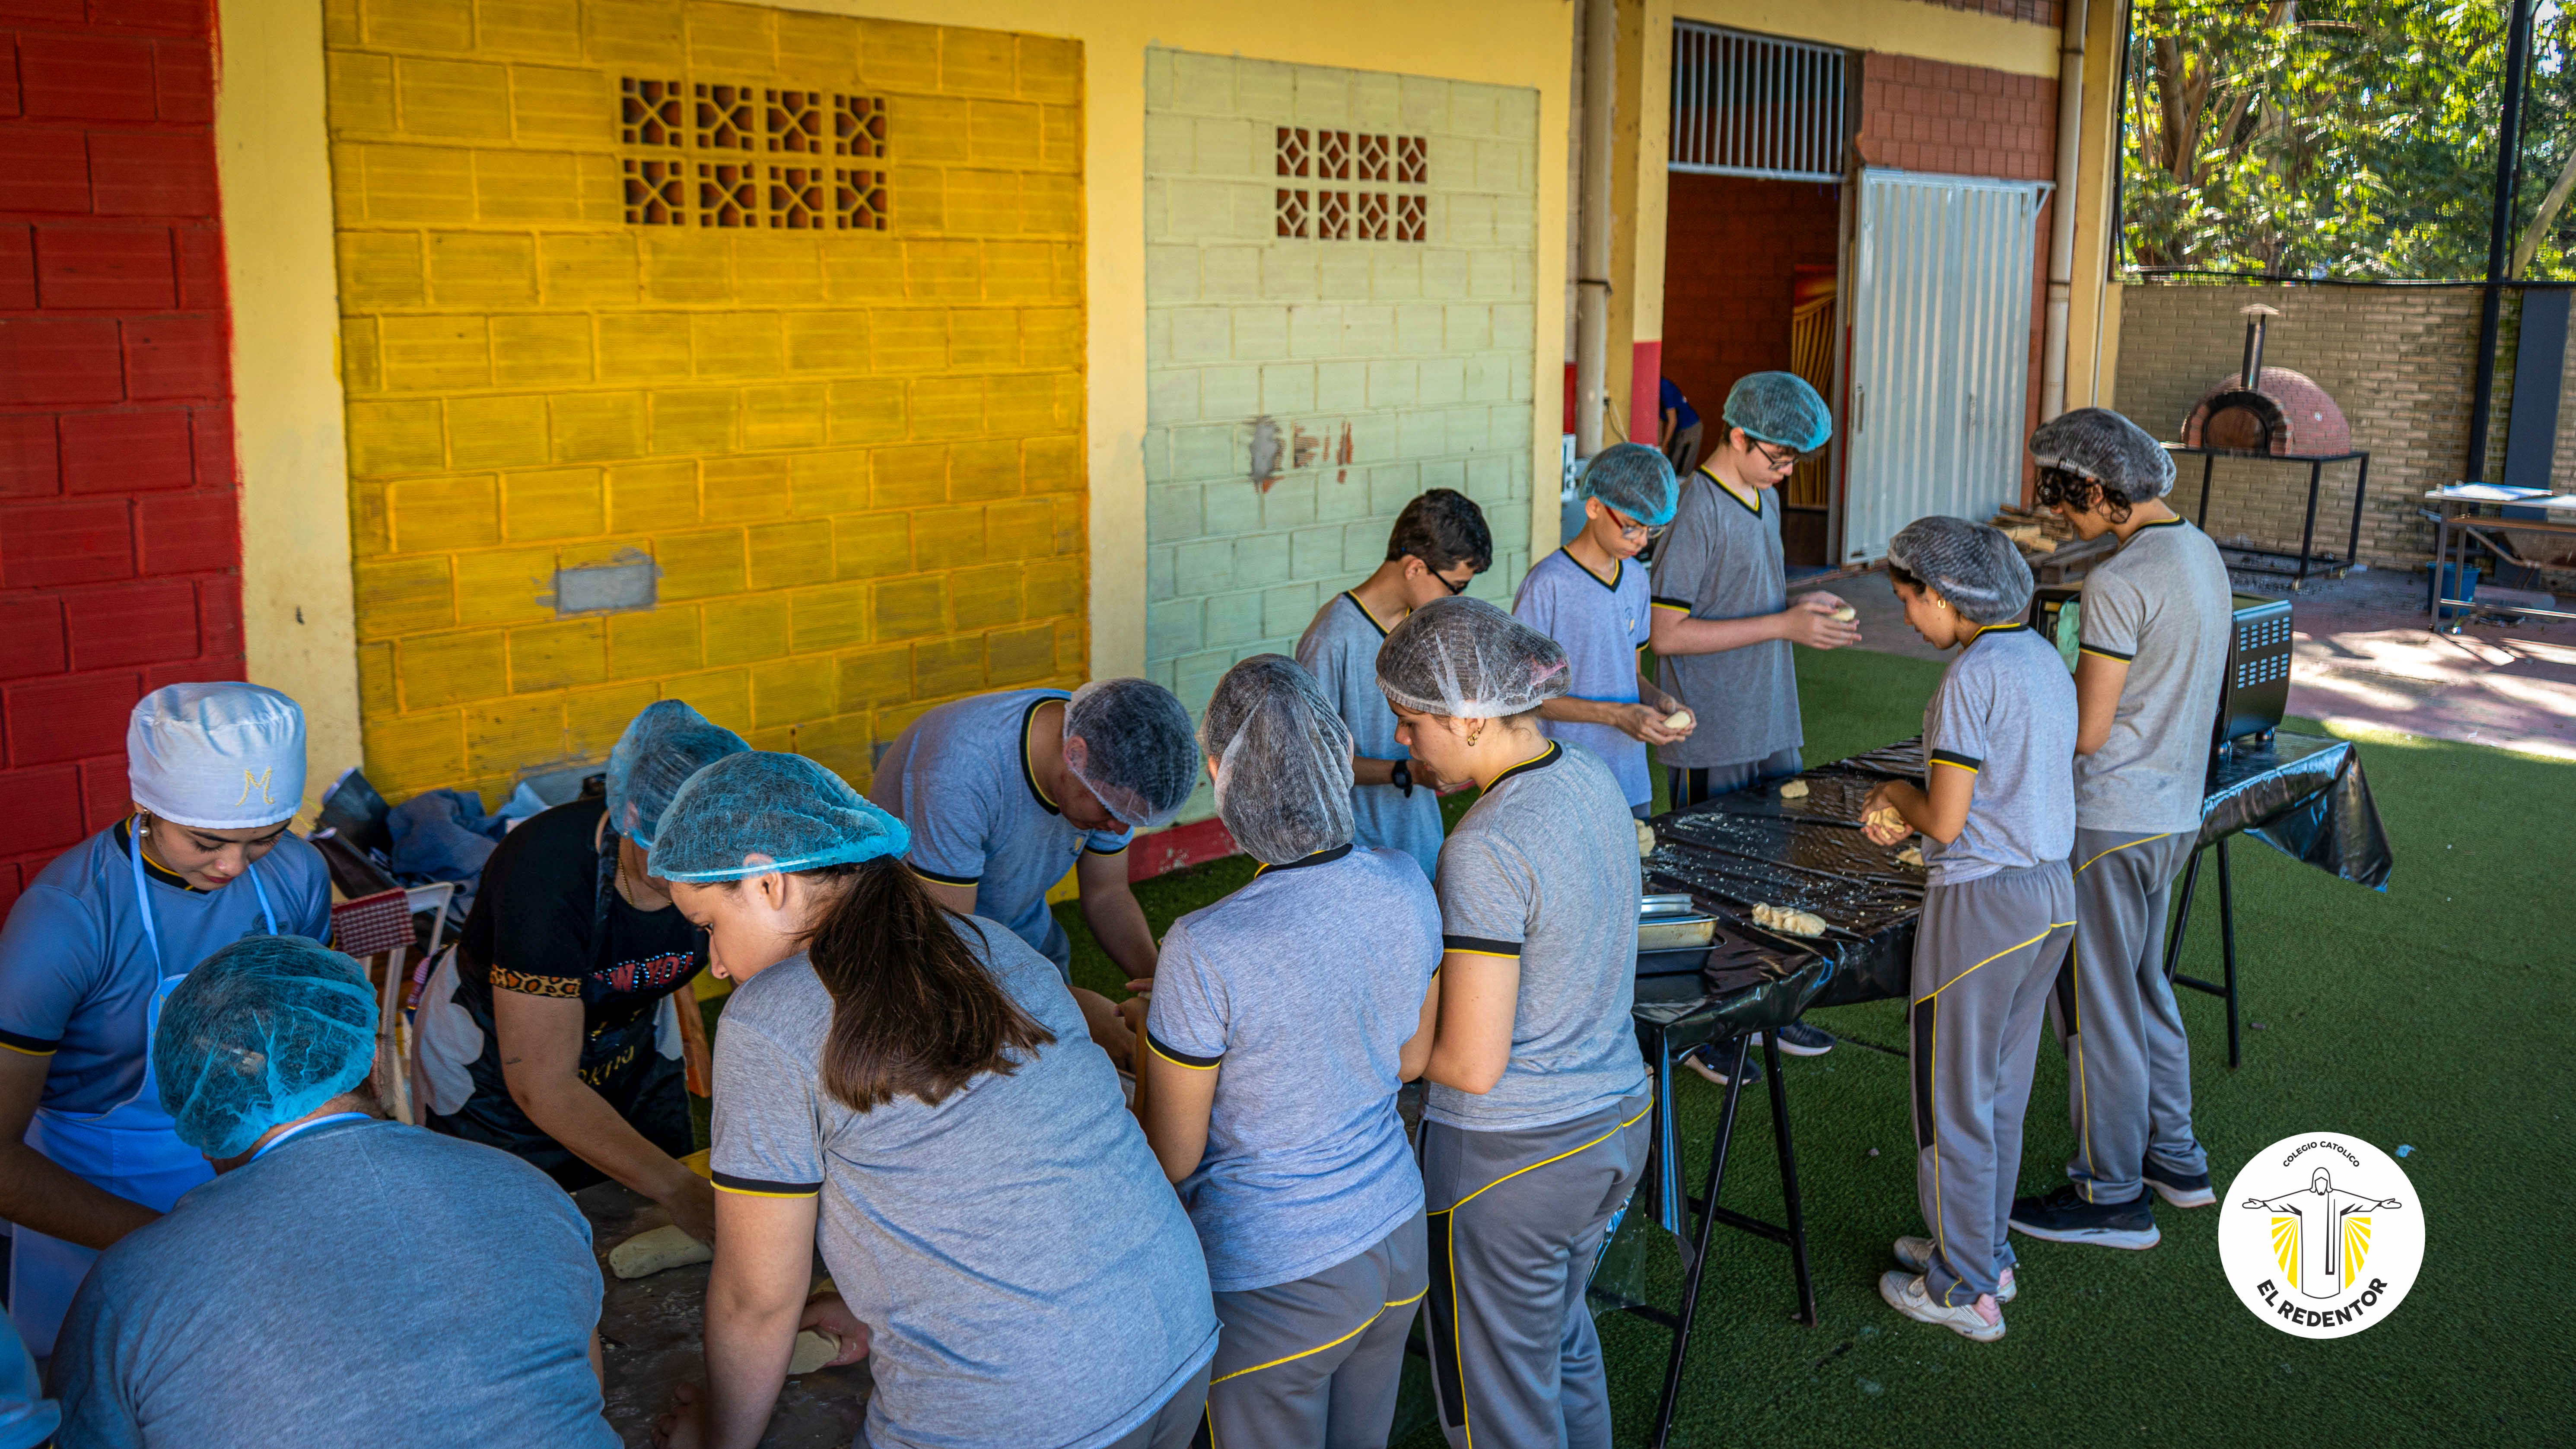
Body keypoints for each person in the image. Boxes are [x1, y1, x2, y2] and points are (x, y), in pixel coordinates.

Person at [645, 752, 1218, 1449]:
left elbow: (755, 1299)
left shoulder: (768, 1018)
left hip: (1031, 1407)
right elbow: (998, 1174)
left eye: (708, 925)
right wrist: (886, 1305)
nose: (718, 964)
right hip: (1179, 1339)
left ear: (769, 883)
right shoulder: (992, 945)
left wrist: (716, 1439)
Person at [47, 935, 616, 1447]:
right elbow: (580, 1392)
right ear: (372, 1062)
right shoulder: (528, 1188)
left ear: (199, 1107)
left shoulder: (129, 1287)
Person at [1136, 657, 1441, 1449]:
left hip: (1278, 1268)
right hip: (1397, 1237)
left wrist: (1142, 1040)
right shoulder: (1406, 881)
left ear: (1217, 773)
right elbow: (1410, 1058)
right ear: (1341, 756)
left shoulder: (1203, 945)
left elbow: (1173, 1151)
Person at [1377, 597, 1651, 1449]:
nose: (1400, 743)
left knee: (1494, 1407)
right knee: (1559, 1341)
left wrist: (1390, 1027)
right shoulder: (1590, 777)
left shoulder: (1485, 845)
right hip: (1615, 1126)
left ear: (1466, 718)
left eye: (1408, 721)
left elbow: (1466, 1064)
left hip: (1512, 1163)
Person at [0, 683, 331, 1359]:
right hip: (98, 1194)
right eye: (206, 840)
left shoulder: (298, 873)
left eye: (263, 838)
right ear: (147, 804)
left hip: (250, 1178)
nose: (233, 866)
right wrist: (171, 1240)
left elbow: (308, 1045)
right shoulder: (68, 920)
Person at [2009, 408, 2233, 1252]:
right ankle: (2174, 1158)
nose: (2062, 521)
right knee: (2142, 987)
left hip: (2109, 817)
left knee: (2094, 1008)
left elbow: (2087, 729)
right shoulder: (2198, 552)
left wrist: (2016, 715)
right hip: (2172, 812)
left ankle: (2110, 1194)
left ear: (2100, 492)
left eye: (2067, 504)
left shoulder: (2116, 583)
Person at [1859, 517, 2077, 1343]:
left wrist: (1893, 795)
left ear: (1944, 595)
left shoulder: (1967, 680)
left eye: (1907, 600)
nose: (1908, 618)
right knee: (1999, 1091)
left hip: (1983, 905)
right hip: (2050, 894)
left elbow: (1945, 820)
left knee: (1951, 1097)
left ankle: (1961, 1286)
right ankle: (1984, 1249)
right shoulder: (2039, 656)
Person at [416, 699, 744, 1242]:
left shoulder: (742, 866)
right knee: (513, 1237)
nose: (702, 880)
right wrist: (683, 1191)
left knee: (639, 1223)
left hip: (631, 1039)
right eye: (678, 856)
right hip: (496, 1062)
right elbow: (542, 1084)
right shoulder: (546, 870)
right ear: (635, 817)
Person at [1647, 372, 1858, 1071]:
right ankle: (1714, 1032)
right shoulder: (1691, 510)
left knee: (1773, 872)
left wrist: (1800, 600)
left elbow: (1740, 595)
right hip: (1712, 728)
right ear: (1735, 435)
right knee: (1717, 886)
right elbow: (1667, 633)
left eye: (1796, 460)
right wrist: (1783, 622)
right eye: (1778, 455)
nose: (1787, 470)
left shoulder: (1762, 494)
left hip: (1769, 713)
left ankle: (1763, 1008)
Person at [867, 678, 1198, 1059]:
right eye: (1111, 812)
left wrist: (1161, 990)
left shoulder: (1109, 753)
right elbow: (950, 951)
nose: (1121, 830)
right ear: (1075, 754)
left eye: (1132, 818)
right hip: (920, 964)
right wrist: (1082, 1012)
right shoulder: (958, 772)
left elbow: (1108, 894)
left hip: (1025, 940)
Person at [1294, 488, 1492, 881]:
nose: (1457, 600)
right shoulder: (1331, 639)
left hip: (1420, 839)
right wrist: (1409, 772)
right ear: (1415, 568)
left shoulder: (1424, 624)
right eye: (1455, 587)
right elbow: (1312, 765)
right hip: (1360, 855)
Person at [1515, 443, 1697, 817]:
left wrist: (1656, 699)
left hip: (1630, 778)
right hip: (1564, 782)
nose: (1642, 541)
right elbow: (1524, 698)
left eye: (1650, 529)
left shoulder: (1635, 578)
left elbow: (1630, 675)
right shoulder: (1547, 584)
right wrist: (1616, 715)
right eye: (1631, 527)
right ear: (1594, 507)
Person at [1658, 377, 1702, 476]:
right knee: (1671, 464)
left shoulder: (1664, 386)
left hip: (1690, 429)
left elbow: (1673, 420)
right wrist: (1660, 444)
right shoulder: (1652, 389)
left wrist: (1664, 445)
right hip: (1678, 431)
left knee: (1680, 471)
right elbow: (1659, 420)